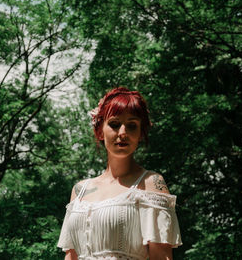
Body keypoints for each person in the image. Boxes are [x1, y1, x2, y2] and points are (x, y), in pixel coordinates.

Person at [58, 87, 182, 260]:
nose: (123, 133)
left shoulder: (151, 183)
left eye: (132, 126)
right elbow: (71, 256)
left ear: (140, 134)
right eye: (115, 124)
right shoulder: (80, 190)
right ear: (100, 130)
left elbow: (162, 257)